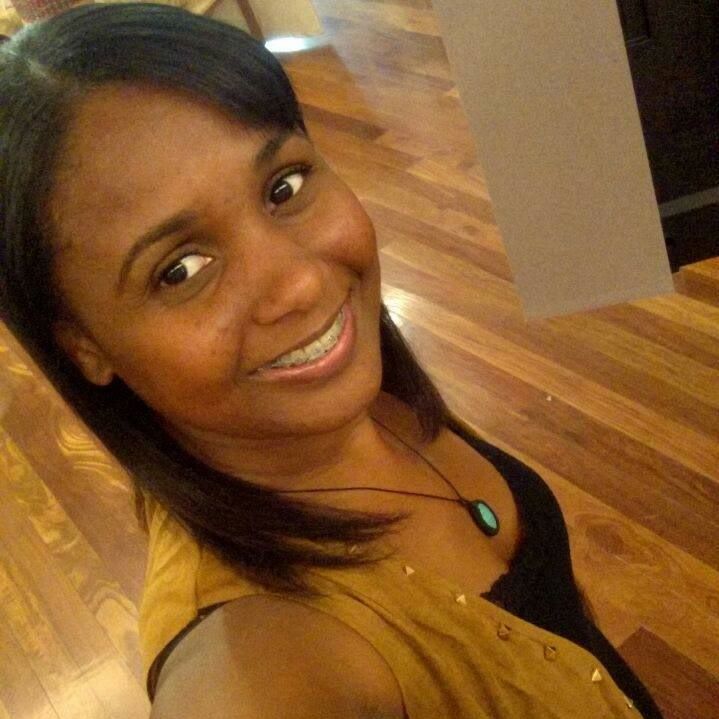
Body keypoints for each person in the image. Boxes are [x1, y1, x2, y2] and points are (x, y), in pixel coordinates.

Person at [0, 4, 664, 717]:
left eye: (282, 187)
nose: (302, 283)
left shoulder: (356, 398)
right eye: (180, 269)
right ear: (83, 345)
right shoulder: (259, 672)